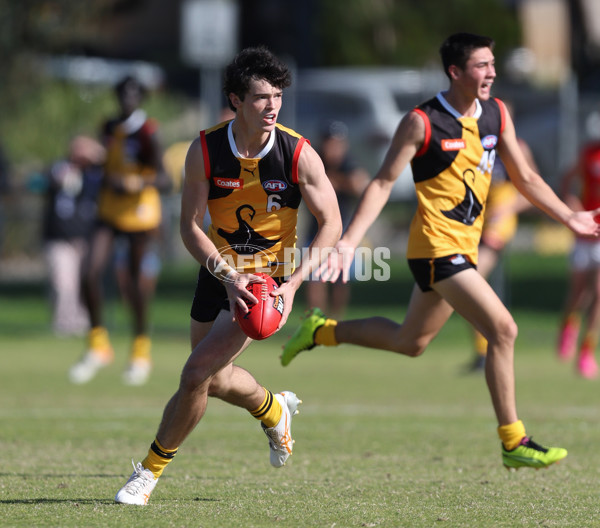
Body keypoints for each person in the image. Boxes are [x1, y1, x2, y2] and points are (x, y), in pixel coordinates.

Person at [282, 32, 600, 470]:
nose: (490, 72)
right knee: (504, 330)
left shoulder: (496, 115)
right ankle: (513, 440)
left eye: (492, 64)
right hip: (434, 247)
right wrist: (349, 241)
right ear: (455, 72)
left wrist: (570, 217)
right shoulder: (423, 121)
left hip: (464, 248)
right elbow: (380, 182)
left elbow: (526, 178)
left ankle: (320, 331)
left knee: (410, 342)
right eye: (480, 65)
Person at [114, 46, 341, 505]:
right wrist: (225, 275)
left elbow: (332, 222)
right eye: (261, 97)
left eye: (277, 96)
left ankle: (149, 473)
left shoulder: (298, 153)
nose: (272, 106)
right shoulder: (206, 149)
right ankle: (274, 410)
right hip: (218, 272)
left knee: (195, 371)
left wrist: (292, 286)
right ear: (236, 101)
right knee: (212, 379)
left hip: (267, 282)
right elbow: (189, 226)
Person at [69, 75, 172, 386]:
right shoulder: (109, 127)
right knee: (88, 272)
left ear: (140, 97)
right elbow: (107, 162)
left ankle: (140, 351)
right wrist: (91, 158)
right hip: (110, 211)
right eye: (123, 93)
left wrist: (135, 183)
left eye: (133, 93)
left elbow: (165, 180)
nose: (127, 98)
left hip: (140, 215)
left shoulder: (148, 133)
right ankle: (98, 344)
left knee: (135, 285)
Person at [465, 131, 536, 371]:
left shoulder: (518, 148)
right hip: (476, 214)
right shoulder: (471, 143)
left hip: (499, 216)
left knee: (472, 274)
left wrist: (507, 208)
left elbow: (531, 189)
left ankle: (493, 343)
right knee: (464, 282)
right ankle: (482, 349)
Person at [304, 120, 369, 319]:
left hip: (342, 232)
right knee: (315, 278)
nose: (333, 148)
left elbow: (361, 184)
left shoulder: (349, 163)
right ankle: (315, 321)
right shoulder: (315, 160)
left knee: (341, 279)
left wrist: (334, 181)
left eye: (337, 143)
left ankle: (334, 322)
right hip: (315, 230)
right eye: (329, 142)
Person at [42, 136, 105, 336]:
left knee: (83, 283)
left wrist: (98, 156)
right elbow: (58, 180)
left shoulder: (95, 175)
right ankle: (63, 324)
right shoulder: (61, 168)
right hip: (59, 239)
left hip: (85, 239)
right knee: (63, 283)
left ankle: (83, 323)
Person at [556, 138, 600, 379]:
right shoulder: (589, 152)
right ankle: (568, 326)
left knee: (599, 292)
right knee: (579, 293)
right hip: (586, 232)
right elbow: (567, 180)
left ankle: (586, 351)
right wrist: (572, 204)